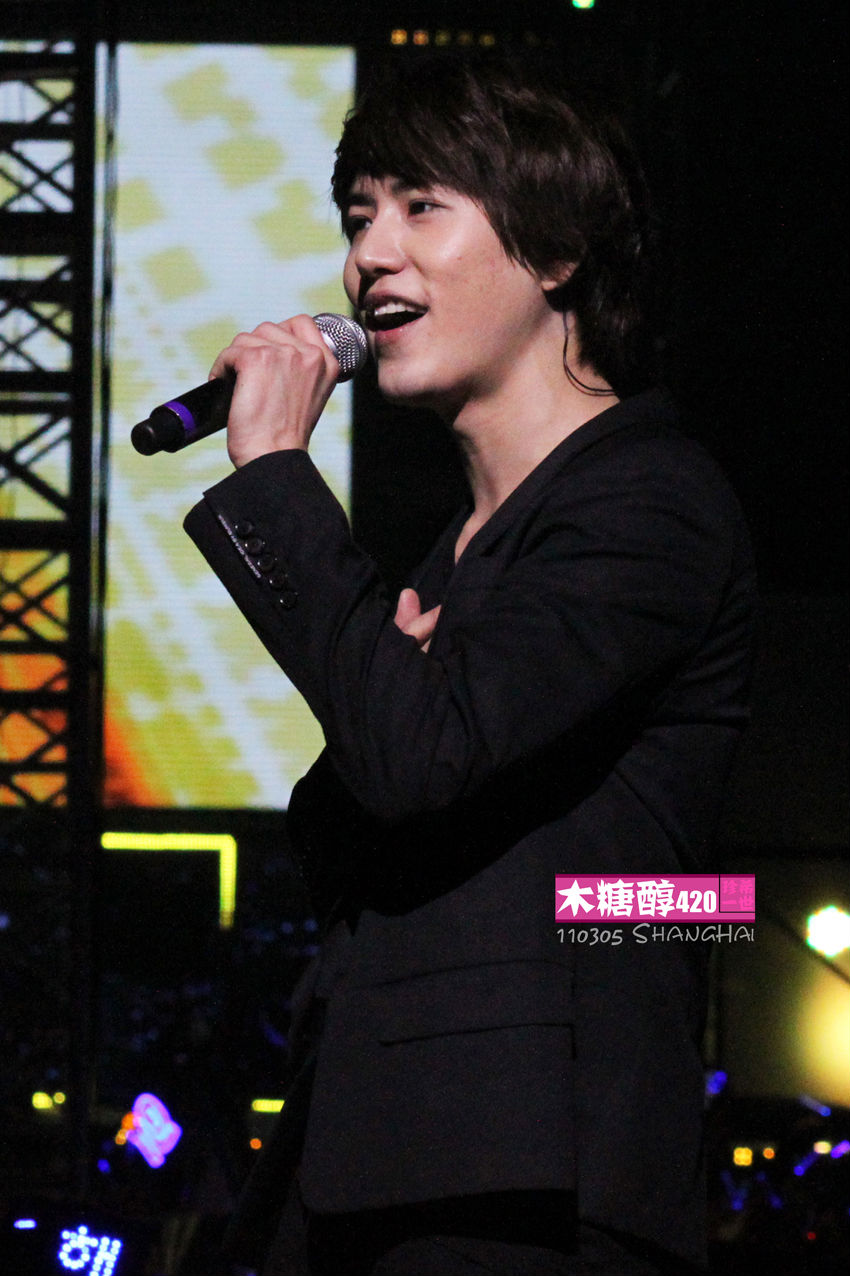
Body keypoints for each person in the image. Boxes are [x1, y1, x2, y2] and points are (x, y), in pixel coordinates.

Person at [185, 53, 756, 1276]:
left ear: (556, 252)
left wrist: (275, 476)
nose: (369, 256)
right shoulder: (453, 555)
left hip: (522, 1180)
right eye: (357, 218)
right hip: (377, 1160)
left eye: (420, 207)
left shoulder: (648, 500)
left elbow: (430, 766)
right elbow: (375, 821)